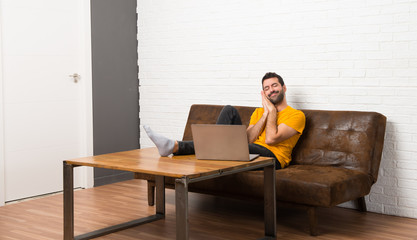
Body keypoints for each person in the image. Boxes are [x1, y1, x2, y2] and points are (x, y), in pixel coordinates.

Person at [143, 72, 305, 169]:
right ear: (263, 93)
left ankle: (175, 146)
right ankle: (210, 149)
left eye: (274, 86)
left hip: (273, 158)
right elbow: (248, 139)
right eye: (266, 88)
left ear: (283, 88)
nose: (271, 91)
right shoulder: (259, 112)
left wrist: (271, 112)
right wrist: (264, 115)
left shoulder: (296, 115)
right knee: (229, 110)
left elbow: (270, 139)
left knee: (226, 145)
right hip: (250, 149)